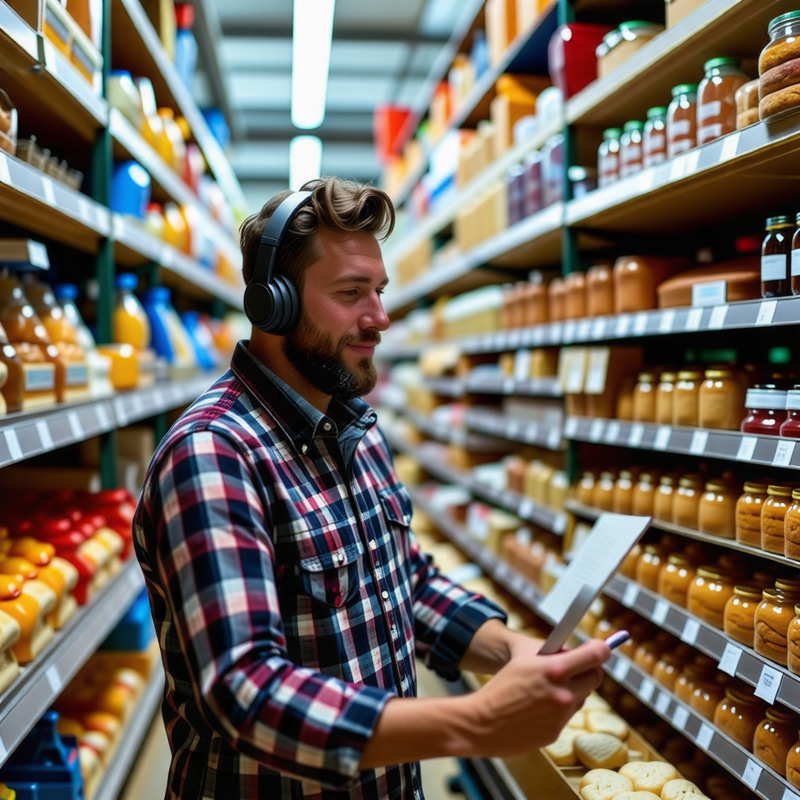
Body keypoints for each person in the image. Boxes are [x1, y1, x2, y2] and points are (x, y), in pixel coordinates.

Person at [133, 176, 611, 800]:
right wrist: (477, 722)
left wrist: (514, 649)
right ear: (272, 305)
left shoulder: (355, 428)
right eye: (351, 293)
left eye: (379, 291)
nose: (379, 318)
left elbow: (403, 584)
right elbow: (245, 691)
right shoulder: (214, 454)